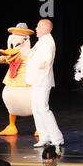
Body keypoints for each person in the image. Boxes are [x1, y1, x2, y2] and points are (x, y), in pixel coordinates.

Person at [25, 19, 63, 147]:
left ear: (45, 28)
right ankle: (44, 137)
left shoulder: (48, 42)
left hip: (42, 80)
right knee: (36, 109)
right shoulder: (42, 41)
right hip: (37, 80)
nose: (35, 28)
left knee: (43, 108)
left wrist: (36, 66)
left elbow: (46, 60)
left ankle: (57, 138)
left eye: (38, 26)